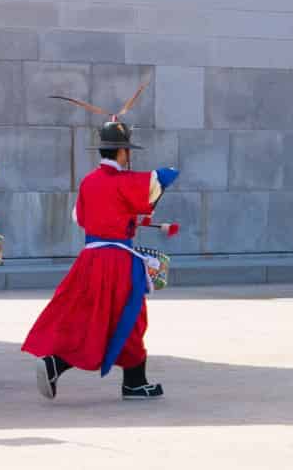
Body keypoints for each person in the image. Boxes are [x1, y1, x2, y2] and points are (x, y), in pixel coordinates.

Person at [25, 93, 180, 400]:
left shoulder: (88, 182)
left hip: (90, 258)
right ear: (122, 152)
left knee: (91, 317)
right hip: (118, 261)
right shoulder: (124, 181)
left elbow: (79, 217)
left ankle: (57, 363)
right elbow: (164, 177)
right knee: (131, 317)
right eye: (127, 150)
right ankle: (134, 382)